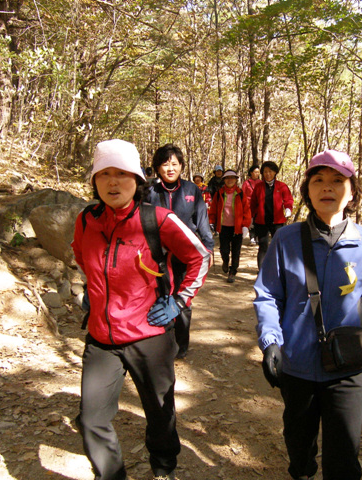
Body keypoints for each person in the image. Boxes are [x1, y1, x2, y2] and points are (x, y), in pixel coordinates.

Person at [71, 139, 211, 480]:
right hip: (102, 338)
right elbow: (80, 256)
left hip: (149, 335)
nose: (113, 182)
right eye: (104, 174)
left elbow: (200, 257)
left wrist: (179, 300)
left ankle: (163, 466)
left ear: (137, 179)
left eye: (121, 173)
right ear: (94, 180)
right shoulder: (86, 219)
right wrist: (92, 290)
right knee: (91, 419)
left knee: (160, 413)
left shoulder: (157, 219)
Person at [254, 150, 362, 480]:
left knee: (344, 458)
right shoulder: (286, 239)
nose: (327, 187)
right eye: (319, 180)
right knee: (299, 444)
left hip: (349, 365)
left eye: (338, 181)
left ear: (352, 192)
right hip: (297, 363)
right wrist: (271, 342)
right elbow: (268, 294)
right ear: (307, 191)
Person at [145, 143, 214, 359]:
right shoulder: (150, 192)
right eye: (165, 165)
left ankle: (181, 345)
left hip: (187, 255)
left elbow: (202, 221)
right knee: (159, 297)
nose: (170, 169)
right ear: (158, 168)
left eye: (174, 164)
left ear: (182, 166)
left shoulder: (191, 190)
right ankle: (162, 341)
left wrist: (208, 248)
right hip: (158, 257)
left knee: (183, 298)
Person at [208, 169, 251, 283]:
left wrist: (245, 225)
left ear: (236, 180)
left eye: (232, 178)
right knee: (224, 249)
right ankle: (225, 261)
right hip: (223, 227)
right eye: (227, 178)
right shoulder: (219, 194)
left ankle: (233, 272)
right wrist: (211, 222)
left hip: (237, 228)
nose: (230, 180)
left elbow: (247, 211)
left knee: (236, 251)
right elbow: (213, 210)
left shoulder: (241, 194)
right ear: (224, 180)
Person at [250, 160, 294, 269]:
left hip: (277, 221)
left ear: (275, 172)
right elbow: (253, 203)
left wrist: (288, 208)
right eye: (265, 172)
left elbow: (288, 199)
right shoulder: (259, 187)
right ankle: (262, 271)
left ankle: (279, 270)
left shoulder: (282, 186)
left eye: (270, 171)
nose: (268, 174)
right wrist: (251, 218)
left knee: (279, 246)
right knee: (263, 246)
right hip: (262, 222)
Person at [241, 164, 261, 244]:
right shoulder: (246, 183)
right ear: (251, 173)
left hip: (258, 205)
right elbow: (243, 194)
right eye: (255, 172)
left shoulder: (261, 182)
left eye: (258, 172)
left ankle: (257, 236)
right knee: (251, 220)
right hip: (249, 204)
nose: (257, 174)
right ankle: (252, 237)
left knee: (258, 220)